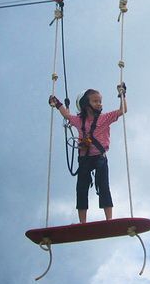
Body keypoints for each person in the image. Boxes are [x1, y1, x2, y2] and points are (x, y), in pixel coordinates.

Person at [49, 84, 127, 223]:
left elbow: (123, 110)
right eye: (95, 101)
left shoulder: (104, 118)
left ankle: (109, 219)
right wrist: (57, 103)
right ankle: (82, 222)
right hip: (84, 159)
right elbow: (66, 115)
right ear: (86, 104)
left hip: (100, 158)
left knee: (103, 186)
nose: (99, 104)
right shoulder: (79, 121)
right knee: (81, 188)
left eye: (100, 101)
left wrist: (122, 94)